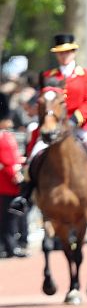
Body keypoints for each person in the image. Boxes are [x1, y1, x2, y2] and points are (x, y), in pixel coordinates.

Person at [9, 34, 87, 215]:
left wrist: (75, 119)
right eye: (60, 53)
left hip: (81, 124)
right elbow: (43, 102)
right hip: (54, 127)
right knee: (34, 155)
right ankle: (24, 197)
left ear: (73, 52)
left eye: (67, 52)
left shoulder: (85, 75)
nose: (63, 56)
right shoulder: (48, 76)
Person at [0, 92, 25, 258]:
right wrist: (16, 176)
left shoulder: (7, 135)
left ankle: (9, 246)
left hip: (10, 182)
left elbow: (14, 159)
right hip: (5, 183)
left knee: (11, 217)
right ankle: (9, 247)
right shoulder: (2, 137)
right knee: (7, 218)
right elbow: (7, 162)